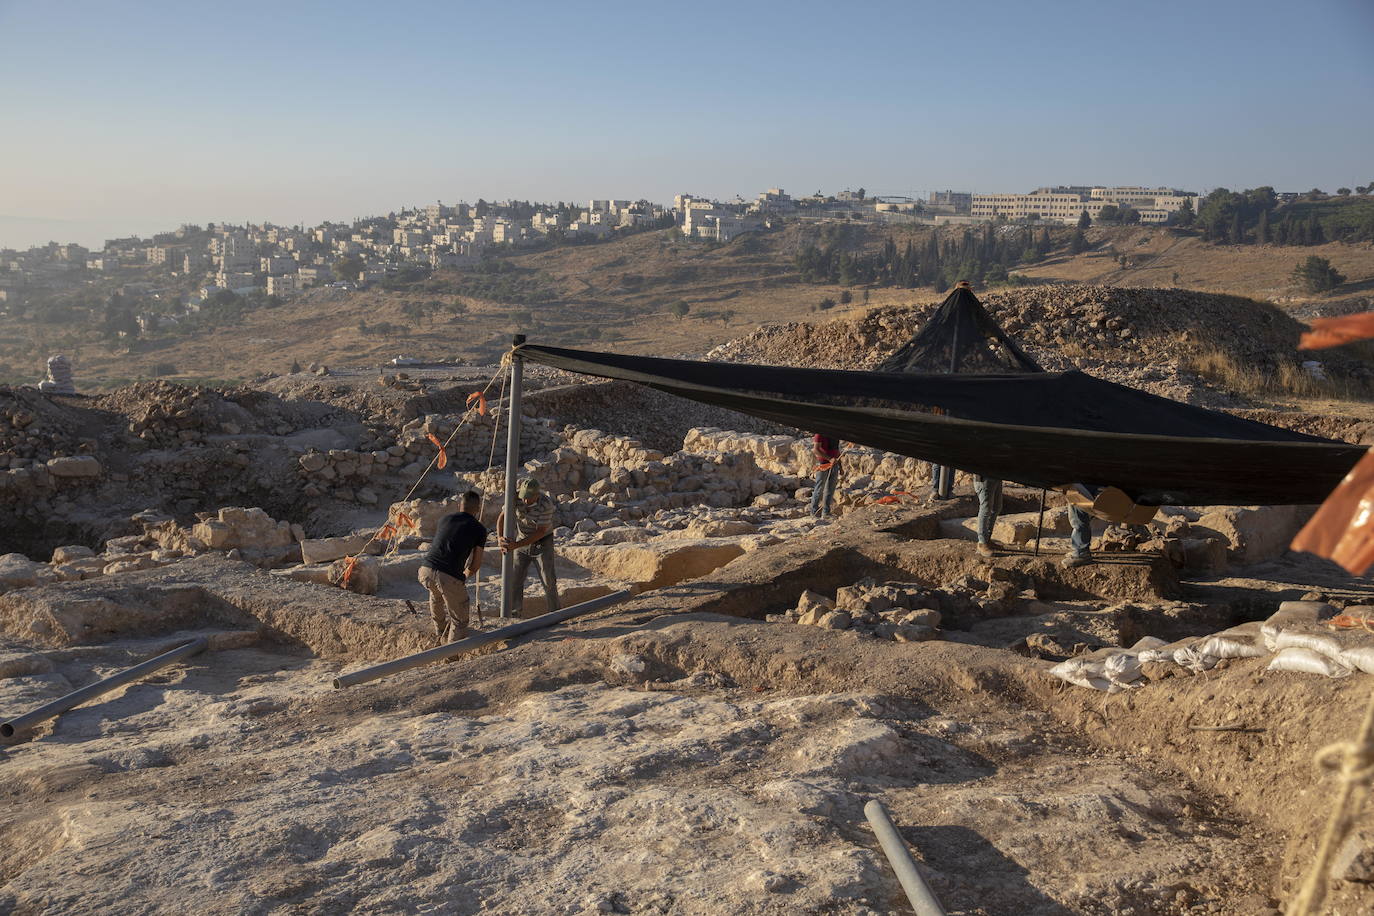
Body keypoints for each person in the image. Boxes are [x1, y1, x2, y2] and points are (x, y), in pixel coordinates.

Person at [417, 491, 486, 644]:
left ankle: (440, 633)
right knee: (460, 619)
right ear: (477, 509)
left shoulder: (445, 519)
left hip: (425, 570)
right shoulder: (479, 529)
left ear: (460, 505)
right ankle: (450, 657)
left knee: (436, 596)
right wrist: (462, 578)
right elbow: (475, 565)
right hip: (447, 575)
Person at [497, 477, 559, 616]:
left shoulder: (546, 505)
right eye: (524, 497)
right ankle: (514, 614)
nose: (525, 501)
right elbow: (502, 516)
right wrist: (500, 537)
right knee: (515, 579)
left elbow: (540, 531)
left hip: (542, 542)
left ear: (537, 495)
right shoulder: (516, 498)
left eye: (529, 498)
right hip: (522, 539)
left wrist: (516, 545)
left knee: (548, 579)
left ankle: (555, 615)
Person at [810, 433, 842, 518]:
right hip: (823, 464)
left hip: (834, 464)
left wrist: (840, 466)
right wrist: (829, 459)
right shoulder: (819, 434)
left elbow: (837, 451)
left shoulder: (834, 435)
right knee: (819, 488)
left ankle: (826, 512)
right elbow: (816, 449)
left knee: (830, 489)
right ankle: (814, 512)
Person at [974, 475, 1003, 557]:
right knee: (986, 509)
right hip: (984, 477)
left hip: (996, 475)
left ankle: (987, 539)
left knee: (996, 507)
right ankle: (982, 542)